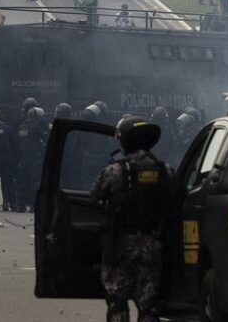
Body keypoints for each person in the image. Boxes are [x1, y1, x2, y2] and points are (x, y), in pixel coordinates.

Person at [91, 116, 174, 322]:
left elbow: (95, 196)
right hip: (152, 244)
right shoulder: (165, 171)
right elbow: (175, 200)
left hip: (120, 246)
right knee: (148, 303)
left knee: (117, 300)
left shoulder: (115, 170)